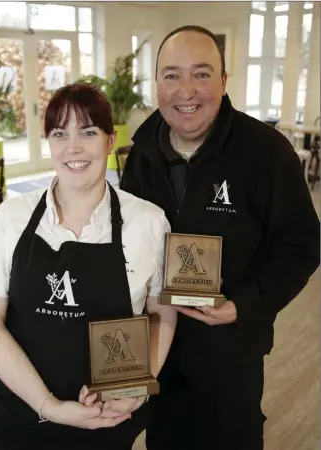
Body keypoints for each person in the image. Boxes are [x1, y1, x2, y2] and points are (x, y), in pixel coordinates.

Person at [120, 25, 320, 450]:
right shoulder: (141, 155)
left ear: (224, 81)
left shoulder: (266, 153)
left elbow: (303, 245)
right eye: (171, 75)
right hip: (160, 345)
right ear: (157, 84)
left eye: (202, 73)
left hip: (230, 350)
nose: (186, 90)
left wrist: (243, 306)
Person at [0, 82, 177, 450]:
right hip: (15, 416)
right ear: (48, 141)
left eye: (89, 132)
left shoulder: (149, 223)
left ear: (110, 141)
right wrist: (50, 407)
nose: (73, 147)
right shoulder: (11, 218)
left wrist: (134, 389)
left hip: (105, 418)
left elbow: (161, 315)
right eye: (60, 133)